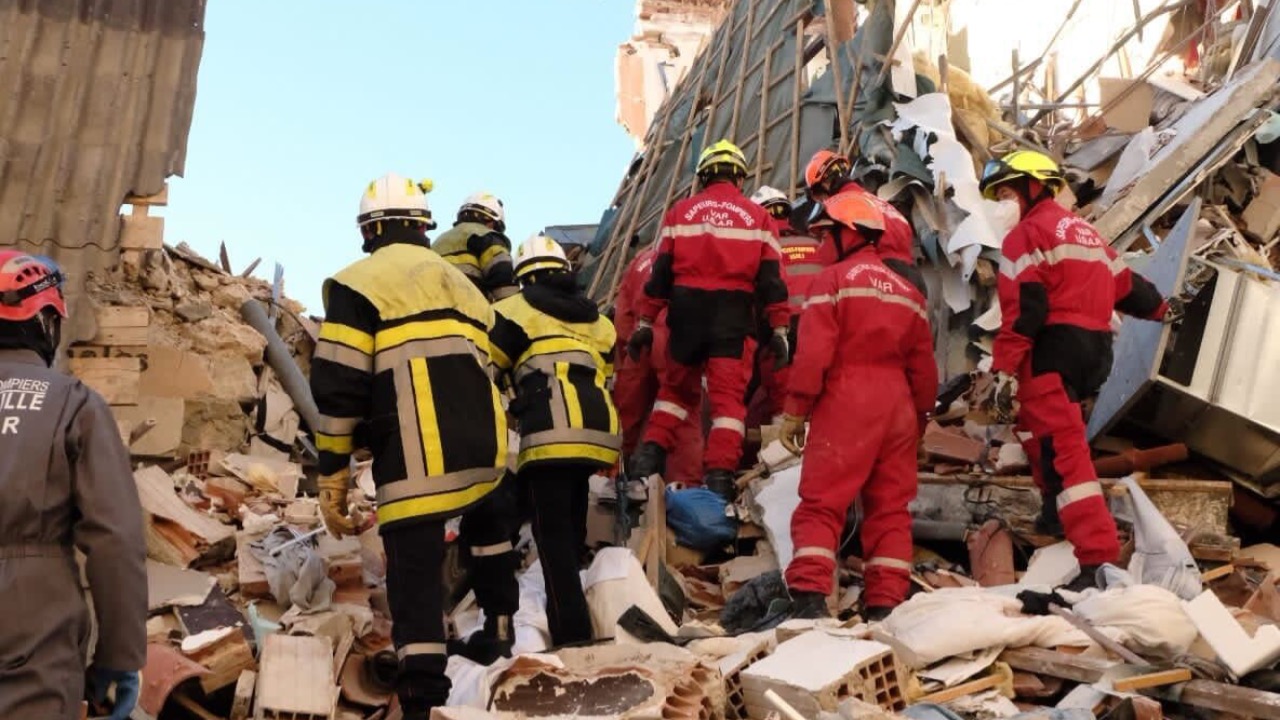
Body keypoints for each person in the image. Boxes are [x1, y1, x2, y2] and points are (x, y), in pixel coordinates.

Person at [311, 173, 517, 718]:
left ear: (369, 230)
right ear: (425, 227)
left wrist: (333, 471)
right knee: (488, 538)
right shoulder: (465, 288)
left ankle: (424, 699)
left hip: (417, 458)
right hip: (485, 452)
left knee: (415, 581)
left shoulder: (358, 285)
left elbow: (338, 388)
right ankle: (500, 635)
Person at [977, 150, 1173, 591]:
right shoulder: (1085, 233)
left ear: (1033, 187)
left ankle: (1097, 559)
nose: (1002, 203)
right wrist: (1165, 310)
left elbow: (1024, 311)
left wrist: (1005, 369)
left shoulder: (1025, 235)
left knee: (1068, 459)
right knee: (1034, 428)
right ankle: (1053, 510)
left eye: (1007, 192)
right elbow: (1129, 288)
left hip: (1051, 352)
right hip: (1094, 352)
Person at [777, 192, 938, 622]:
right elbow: (924, 371)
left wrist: (795, 410)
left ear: (850, 235)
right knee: (889, 510)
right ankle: (886, 604)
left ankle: (809, 599)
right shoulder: (908, 292)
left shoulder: (830, 283)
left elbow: (812, 356)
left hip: (848, 400)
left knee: (821, 503)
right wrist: (919, 426)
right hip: (899, 408)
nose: (821, 245)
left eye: (827, 235)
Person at [0, 251, 146, 720]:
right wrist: (120, 659)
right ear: (46, 322)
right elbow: (115, 538)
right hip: (30, 624)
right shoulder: (73, 402)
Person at [626, 140, 790, 499]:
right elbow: (771, 282)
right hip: (732, 316)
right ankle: (719, 479)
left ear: (703, 176)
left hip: (686, 312)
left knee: (674, 393)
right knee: (728, 404)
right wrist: (779, 329)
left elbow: (660, 277)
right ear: (740, 177)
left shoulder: (679, 213)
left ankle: (647, 459)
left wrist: (643, 324)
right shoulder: (760, 218)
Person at [489, 235, 622, 646]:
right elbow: (609, 370)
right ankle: (580, 617)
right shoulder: (598, 320)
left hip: (550, 431)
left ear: (524, 277)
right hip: (596, 434)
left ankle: (572, 635)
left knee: (553, 538)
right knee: (572, 527)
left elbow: (486, 367)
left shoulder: (511, 311)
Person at [611, 239, 704, 486]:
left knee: (625, 415)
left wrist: (628, 351)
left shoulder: (639, 263)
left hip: (638, 336)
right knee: (681, 411)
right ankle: (684, 488)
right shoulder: (695, 256)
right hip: (673, 334)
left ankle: (613, 480)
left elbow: (622, 318)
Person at [748, 186, 834, 421]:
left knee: (782, 394)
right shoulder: (814, 242)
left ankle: (785, 446)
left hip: (782, 328)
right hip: (822, 325)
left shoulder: (760, 249)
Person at [804, 149, 927, 296]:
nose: (821, 201)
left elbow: (830, 254)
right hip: (914, 280)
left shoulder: (840, 207)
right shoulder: (881, 204)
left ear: (824, 184)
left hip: (882, 280)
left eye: (817, 195)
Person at [433, 191, 518, 300]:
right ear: (491, 220)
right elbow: (503, 280)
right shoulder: (487, 236)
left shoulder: (438, 241)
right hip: (468, 310)